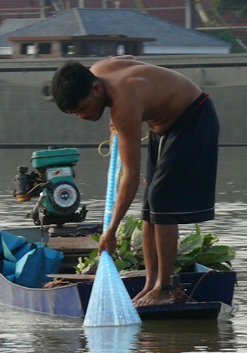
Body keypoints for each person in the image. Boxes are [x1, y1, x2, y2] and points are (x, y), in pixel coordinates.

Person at [51, 56, 219, 307]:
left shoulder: (124, 106)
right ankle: (151, 284)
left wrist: (111, 231)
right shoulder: (98, 73)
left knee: (162, 200)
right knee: (150, 204)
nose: (81, 116)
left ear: (96, 89)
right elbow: (129, 61)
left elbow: (129, 176)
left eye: (82, 108)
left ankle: (166, 287)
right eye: (75, 113)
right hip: (163, 124)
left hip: (193, 117)